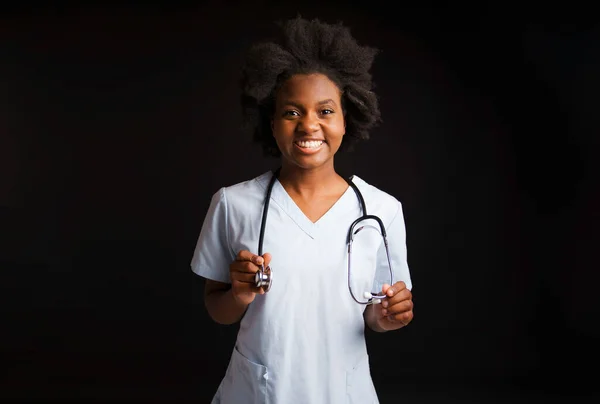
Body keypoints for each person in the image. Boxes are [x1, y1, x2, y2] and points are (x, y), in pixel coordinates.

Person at [191, 16, 414, 403]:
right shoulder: (233, 203)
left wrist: (388, 317)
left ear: (348, 118)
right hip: (261, 391)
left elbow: (376, 315)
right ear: (272, 122)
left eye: (325, 111)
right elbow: (217, 307)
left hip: (343, 390)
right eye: (292, 112)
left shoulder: (381, 211)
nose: (309, 125)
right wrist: (240, 296)